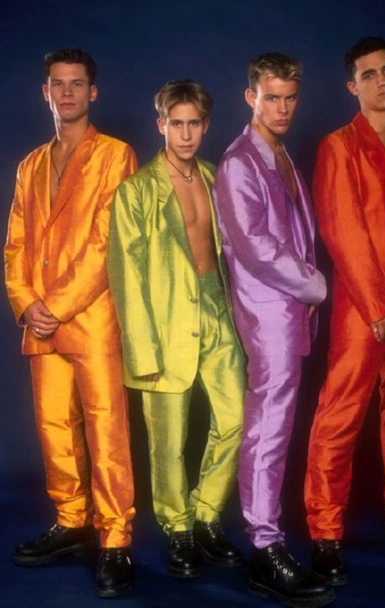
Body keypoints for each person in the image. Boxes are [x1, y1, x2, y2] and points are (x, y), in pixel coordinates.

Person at [4, 47, 137, 598]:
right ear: (46, 92)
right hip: (40, 320)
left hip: (92, 318)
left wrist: (54, 306)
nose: (67, 93)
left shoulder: (116, 155)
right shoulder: (30, 165)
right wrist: (25, 302)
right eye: (57, 84)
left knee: (106, 430)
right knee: (54, 427)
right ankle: (72, 520)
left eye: (77, 84)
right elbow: (15, 244)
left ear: (92, 92)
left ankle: (115, 538)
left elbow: (108, 244)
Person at [107, 80, 245, 579]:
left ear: (206, 126)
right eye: (176, 124)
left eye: (194, 124)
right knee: (167, 442)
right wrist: (143, 351)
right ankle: (178, 527)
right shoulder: (136, 191)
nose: (185, 134)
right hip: (164, 322)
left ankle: (206, 514)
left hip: (217, 309)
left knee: (236, 419)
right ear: (161, 124)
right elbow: (125, 275)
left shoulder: (216, 176)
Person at [213, 54, 333, 607]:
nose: (282, 109)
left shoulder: (278, 153)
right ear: (250, 98)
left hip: (289, 310)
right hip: (267, 312)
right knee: (267, 426)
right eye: (271, 98)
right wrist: (316, 286)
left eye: (289, 98)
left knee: (277, 423)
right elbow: (256, 248)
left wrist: (304, 295)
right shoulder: (239, 162)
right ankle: (265, 548)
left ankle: (269, 540)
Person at [305, 36, 385, 587]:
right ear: (353, 86)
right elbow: (341, 226)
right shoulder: (339, 146)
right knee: (341, 414)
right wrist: (376, 303)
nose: (381, 80)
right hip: (363, 302)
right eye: (368, 74)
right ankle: (325, 530)